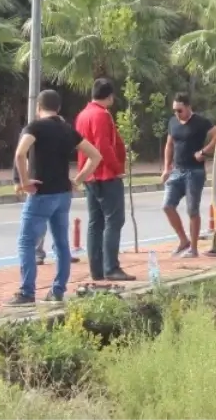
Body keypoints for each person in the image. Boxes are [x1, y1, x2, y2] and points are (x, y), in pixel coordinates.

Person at [6, 90, 102, 306]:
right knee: (61, 242)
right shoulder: (68, 130)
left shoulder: (35, 127)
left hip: (41, 193)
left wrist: (24, 182)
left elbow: (20, 154)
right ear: (58, 108)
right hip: (63, 193)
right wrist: (78, 179)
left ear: (39, 107)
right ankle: (58, 290)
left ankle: (27, 291)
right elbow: (95, 156)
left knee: (26, 241)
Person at [76, 78, 133, 281]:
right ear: (109, 96)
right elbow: (103, 146)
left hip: (90, 174)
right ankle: (111, 267)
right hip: (105, 174)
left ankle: (96, 269)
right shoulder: (101, 115)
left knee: (95, 222)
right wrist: (117, 168)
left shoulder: (83, 115)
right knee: (114, 220)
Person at [162, 93, 216, 257]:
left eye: (180, 110)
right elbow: (169, 145)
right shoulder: (173, 122)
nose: (177, 114)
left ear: (188, 107)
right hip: (177, 171)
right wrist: (166, 168)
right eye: (174, 111)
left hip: (195, 172)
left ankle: (193, 249)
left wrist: (204, 152)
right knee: (167, 206)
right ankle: (183, 240)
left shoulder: (200, 122)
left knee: (192, 210)